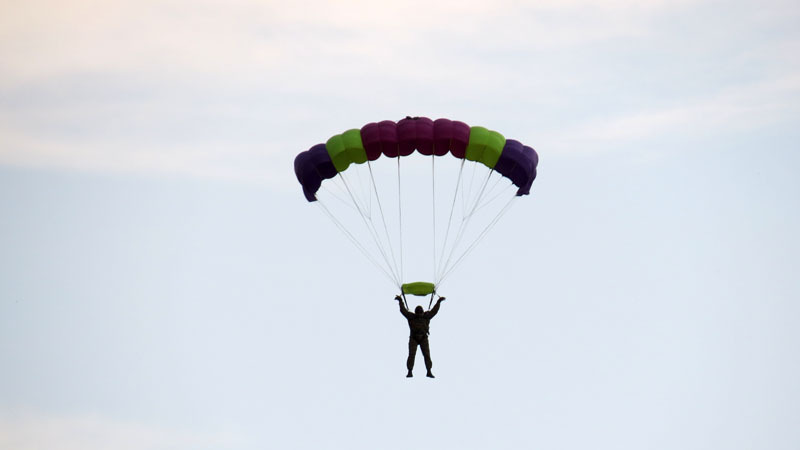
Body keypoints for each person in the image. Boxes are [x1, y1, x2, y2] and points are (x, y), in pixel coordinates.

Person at [395, 294, 446, 378]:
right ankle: (411, 371)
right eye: (418, 311)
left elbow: (434, 311)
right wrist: (400, 301)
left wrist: (438, 302)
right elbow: (403, 310)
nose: (419, 313)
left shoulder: (424, 316)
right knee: (413, 355)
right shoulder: (414, 316)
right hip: (414, 338)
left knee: (425, 355)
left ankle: (428, 371)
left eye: (419, 311)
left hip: (422, 338)